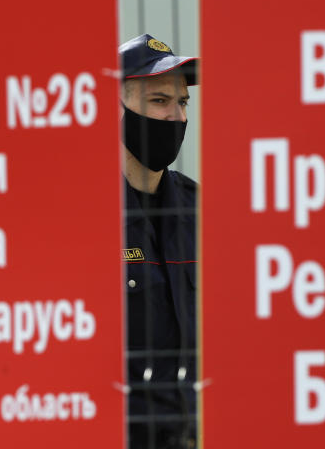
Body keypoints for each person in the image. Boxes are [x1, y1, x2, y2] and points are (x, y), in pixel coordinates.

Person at [118, 34, 199, 449]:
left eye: (182, 103)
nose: (176, 117)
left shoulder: (202, 213)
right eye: (159, 101)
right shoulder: (84, 220)